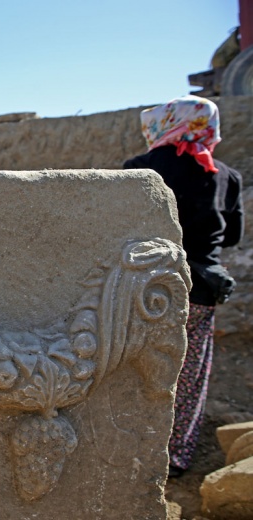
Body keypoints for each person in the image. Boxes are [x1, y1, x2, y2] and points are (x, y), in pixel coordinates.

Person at [123, 95, 244, 477]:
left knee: (135, 367)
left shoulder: (141, 169)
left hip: (147, 288)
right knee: (188, 374)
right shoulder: (226, 175)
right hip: (201, 289)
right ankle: (175, 457)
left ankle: (131, 447)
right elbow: (232, 236)